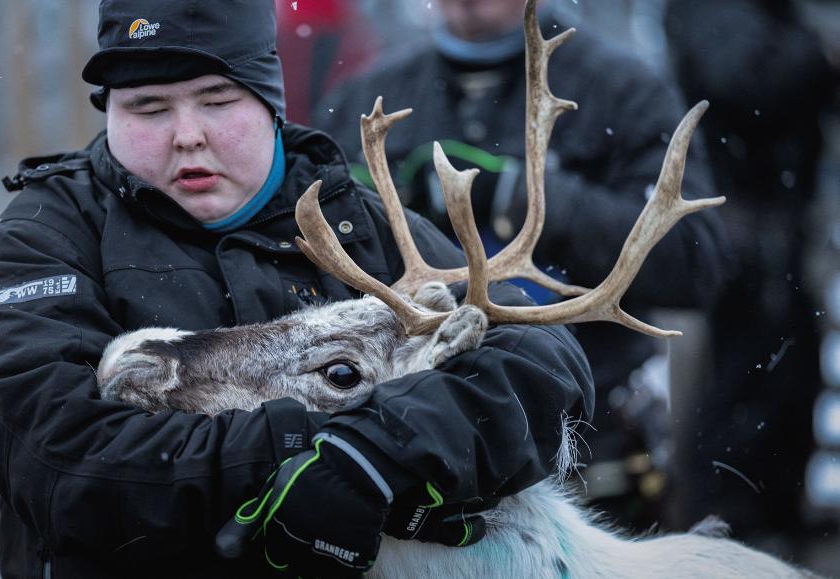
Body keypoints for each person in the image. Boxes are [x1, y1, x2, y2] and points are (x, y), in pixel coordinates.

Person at [0, 0, 593, 577]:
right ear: (111, 112)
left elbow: (547, 366)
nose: (187, 134)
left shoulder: (361, 222)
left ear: (268, 102)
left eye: (217, 99)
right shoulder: (44, 236)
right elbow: (61, 462)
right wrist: (293, 454)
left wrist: (377, 454)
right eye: (148, 107)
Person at [314, 0, 726, 529]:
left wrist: (529, 198)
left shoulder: (620, 89)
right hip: (415, 460)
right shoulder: (369, 101)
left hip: (591, 458)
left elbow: (696, 260)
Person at [664, 0, 840, 553]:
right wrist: (822, 53)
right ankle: (729, 529)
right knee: (737, 396)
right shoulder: (707, 11)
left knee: (790, 381)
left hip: (784, 235)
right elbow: (743, 80)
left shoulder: (780, 17)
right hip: (730, 236)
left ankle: (775, 519)